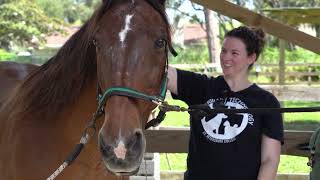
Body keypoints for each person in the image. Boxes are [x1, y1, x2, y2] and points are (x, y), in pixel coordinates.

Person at [167, 26, 284, 180]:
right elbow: (159, 71)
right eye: (224, 51)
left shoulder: (266, 102)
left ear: (251, 58)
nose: (225, 57)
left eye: (234, 53)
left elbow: (270, 160)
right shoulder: (201, 87)